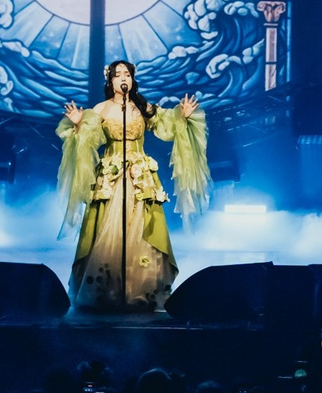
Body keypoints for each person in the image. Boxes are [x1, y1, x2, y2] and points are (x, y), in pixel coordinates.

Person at [56, 61, 209, 311]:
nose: (122, 78)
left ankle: (141, 291)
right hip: (111, 175)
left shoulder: (142, 107)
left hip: (139, 175)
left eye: (126, 74)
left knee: (141, 228)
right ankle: (107, 292)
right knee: (108, 229)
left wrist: (182, 116)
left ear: (132, 79)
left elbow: (166, 126)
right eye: (117, 75)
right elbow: (91, 140)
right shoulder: (101, 109)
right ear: (110, 81)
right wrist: (78, 124)